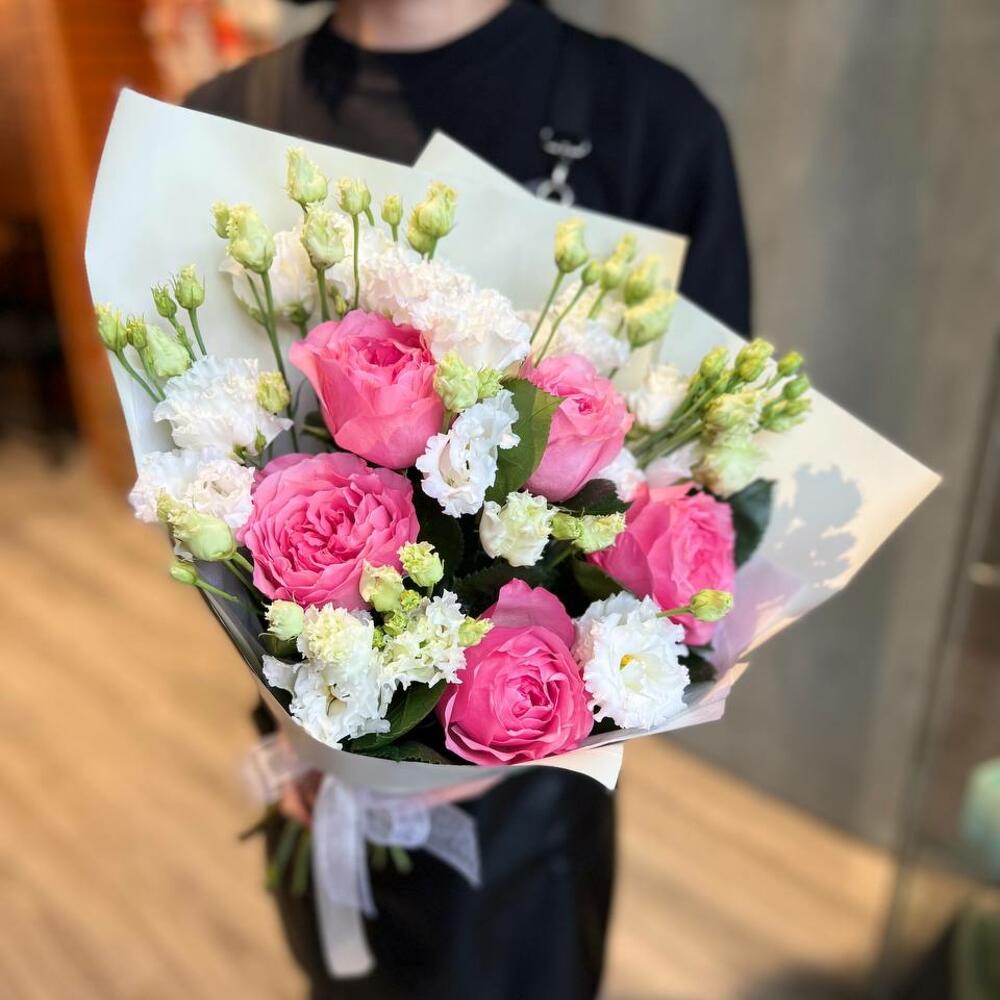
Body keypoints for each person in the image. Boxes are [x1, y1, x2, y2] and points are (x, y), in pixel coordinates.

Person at [186, 2, 751, 998]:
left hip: (531, 814)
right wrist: (325, 717)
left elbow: (701, 487)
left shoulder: (648, 123)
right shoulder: (223, 122)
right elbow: (198, 470)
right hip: (312, 748)